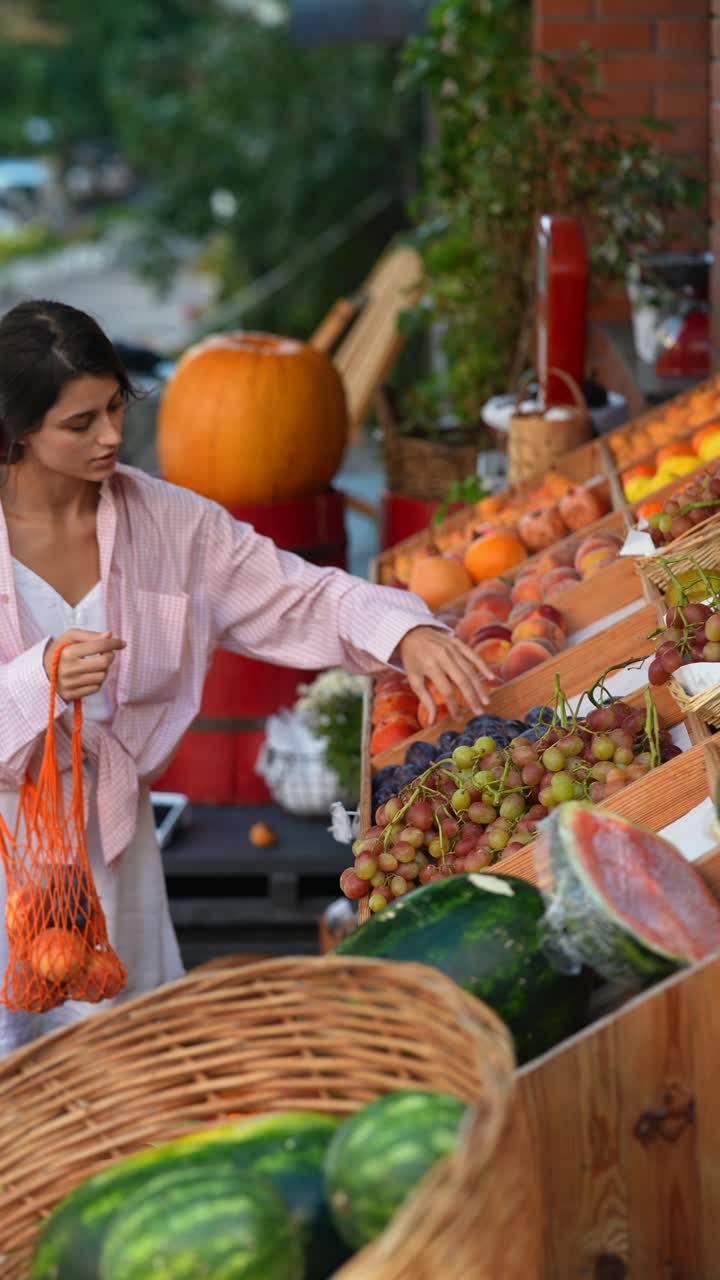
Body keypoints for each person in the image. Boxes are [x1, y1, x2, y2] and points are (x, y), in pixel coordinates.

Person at [0, 299, 494, 1055]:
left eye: (115, 408)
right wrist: (38, 678)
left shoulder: (171, 526)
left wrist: (407, 628)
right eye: (79, 424)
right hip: (7, 858)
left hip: (115, 857)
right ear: (16, 429)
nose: (111, 437)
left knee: (124, 1075)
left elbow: (301, 592)